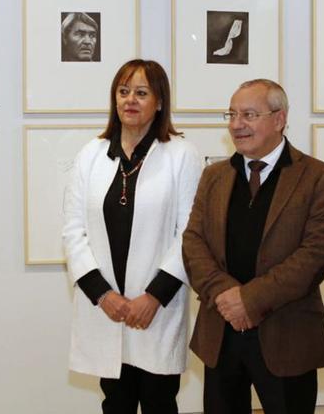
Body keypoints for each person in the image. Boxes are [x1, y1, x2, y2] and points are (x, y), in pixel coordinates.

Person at [183, 79, 324, 414]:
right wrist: (226, 295)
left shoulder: (316, 176)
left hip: (287, 334)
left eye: (249, 114)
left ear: (279, 119)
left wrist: (249, 300)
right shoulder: (214, 176)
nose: (237, 124)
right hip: (221, 332)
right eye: (232, 114)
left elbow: (315, 254)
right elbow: (193, 241)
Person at [63, 59, 202, 413]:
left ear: (159, 101)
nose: (131, 100)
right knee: (116, 402)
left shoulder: (182, 155)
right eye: (124, 91)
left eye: (142, 93)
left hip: (155, 308)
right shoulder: (90, 155)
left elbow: (190, 233)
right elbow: (73, 231)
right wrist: (102, 295)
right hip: (106, 308)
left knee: (159, 401)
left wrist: (154, 296)